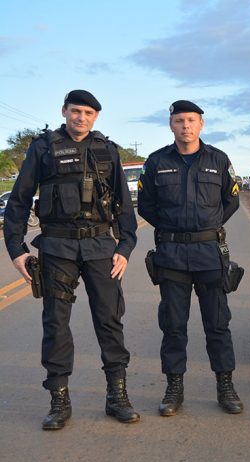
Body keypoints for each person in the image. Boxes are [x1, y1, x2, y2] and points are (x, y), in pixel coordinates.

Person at [3, 90, 139, 430]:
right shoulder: (43, 148)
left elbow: (123, 204)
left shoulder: (107, 149)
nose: (81, 117)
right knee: (56, 323)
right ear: (64, 111)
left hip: (100, 247)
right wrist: (17, 250)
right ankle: (59, 400)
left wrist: (124, 248)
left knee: (109, 320)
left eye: (88, 113)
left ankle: (117, 396)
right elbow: (19, 200)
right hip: (57, 247)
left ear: (96, 117)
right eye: (76, 111)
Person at [138, 100, 243, 416]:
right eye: (180, 120)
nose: (186, 126)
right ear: (171, 124)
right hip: (171, 256)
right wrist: (173, 228)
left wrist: (207, 226)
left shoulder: (218, 159)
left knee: (218, 325)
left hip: (209, 255)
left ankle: (225, 386)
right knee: (173, 326)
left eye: (191, 120)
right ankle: (174, 389)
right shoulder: (156, 161)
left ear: (201, 124)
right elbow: (146, 205)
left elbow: (232, 200)